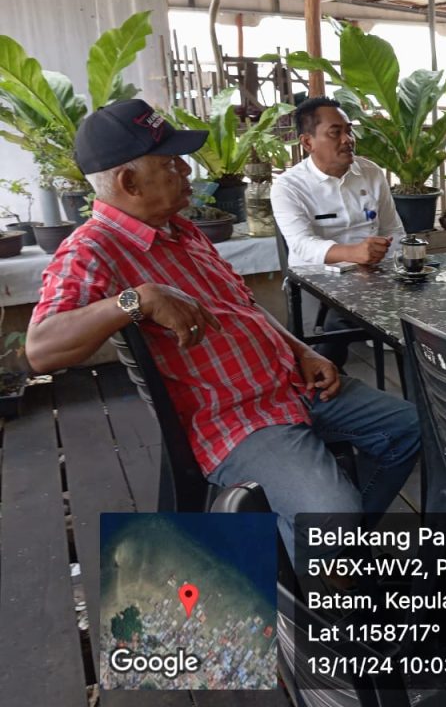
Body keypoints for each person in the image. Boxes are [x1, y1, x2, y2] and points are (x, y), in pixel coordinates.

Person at [25, 99, 421, 563]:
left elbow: (244, 308)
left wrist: (302, 351)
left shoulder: (181, 230)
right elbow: (41, 349)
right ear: (129, 182)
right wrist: (137, 299)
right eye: (171, 163)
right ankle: (323, 566)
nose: (186, 171)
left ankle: (324, 556)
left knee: (414, 430)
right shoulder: (93, 249)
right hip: (237, 418)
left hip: (291, 382)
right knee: (332, 515)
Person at [271, 98, 405, 365]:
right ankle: (327, 379)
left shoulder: (371, 173)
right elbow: (302, 244)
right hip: (315, 278)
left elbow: (394, 229)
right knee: (333, 330)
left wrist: (397, 268)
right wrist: (354, 254)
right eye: (335, 132)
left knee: (418, 323)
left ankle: (419, 384)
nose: (348, 139)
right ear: (307, 142)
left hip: (374, 275)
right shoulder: (289, 186)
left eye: (349, 130)